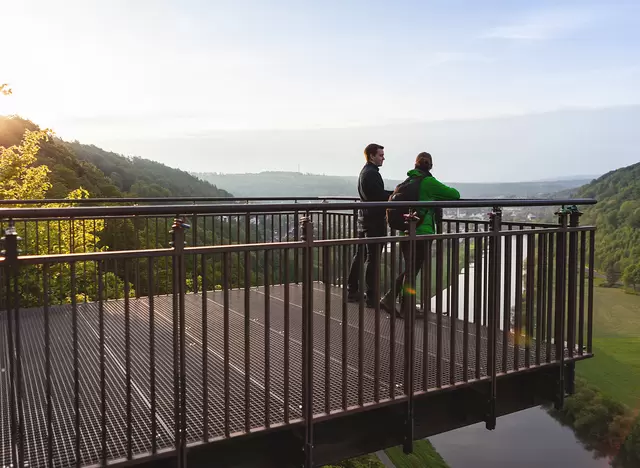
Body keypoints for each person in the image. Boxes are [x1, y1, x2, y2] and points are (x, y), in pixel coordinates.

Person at [380, 152, 460, 318]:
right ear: (430, 165)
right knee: (412, 270)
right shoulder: (428, 182)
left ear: (415, 164)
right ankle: (398, 304)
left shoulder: (407, 181)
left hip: (406, 230)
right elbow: (454, 194)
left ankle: (400, 304)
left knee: (410, 269)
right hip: (422, 231)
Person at [346, 143, 393, 307]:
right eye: (380, 155)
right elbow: (379, 196)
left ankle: (352, 290)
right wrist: (395, 195)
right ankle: (371, 296)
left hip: (364, 219)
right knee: (373, 258)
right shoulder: (371, 174)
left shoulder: (365, 173)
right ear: (372, 156)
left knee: (361, 255)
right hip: (374, 221)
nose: (383, 158)